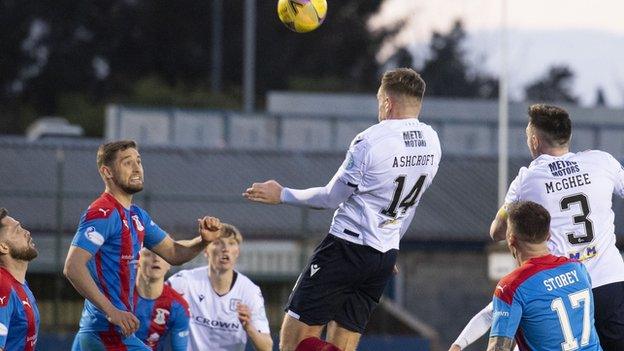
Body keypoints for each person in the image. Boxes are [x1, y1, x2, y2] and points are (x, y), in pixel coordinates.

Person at [243, 68, 441, 351]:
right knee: (344, 345)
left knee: (294, 341)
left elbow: (329, 197)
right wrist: (389, 246)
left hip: (346, 248)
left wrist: (282, 194)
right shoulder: (433, 142)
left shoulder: (371, 141)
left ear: (387, 102)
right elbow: (411, 205)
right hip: (382, 256)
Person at [450, 104, 624, 351]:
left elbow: (497, 231)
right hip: (609, 281)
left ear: (534, 140)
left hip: (554, 285)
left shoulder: (527, 179)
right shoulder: (601, 161)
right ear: (568, 136)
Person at [64, 140, 222, 351]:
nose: (137, 168)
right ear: (107, 172)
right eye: (127, 163)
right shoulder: (102, 212)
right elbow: (72, 267)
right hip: (105, 333)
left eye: (139, 161)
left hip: (114, 334)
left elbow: (174, 252)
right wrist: (111, 310)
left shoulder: (138, 216)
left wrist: (203, 241)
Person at [487, 201, 601, 351]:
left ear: (511, 239)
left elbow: (499, 348)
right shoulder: (578, 269)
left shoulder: (511, 286)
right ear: (548, 235)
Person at [167, 223, 272, 351]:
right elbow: (156, 298)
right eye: (218, 243)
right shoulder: (186, 281)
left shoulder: (250, 291)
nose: (225, 248)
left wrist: (249, 327)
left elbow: (267, 347)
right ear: (205, 250)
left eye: (232, 243)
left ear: (237, 252)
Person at [0, 208, 40, 351]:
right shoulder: (2, 286)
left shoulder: (19, 284)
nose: (26, 232)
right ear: (3, 247)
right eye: (17, 230)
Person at [135, 249, 190, 351]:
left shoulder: (178, 306)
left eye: (163, 255)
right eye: (148, 254)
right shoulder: (117, 295)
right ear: (137, 261)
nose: (156, 259)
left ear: (169, 264)